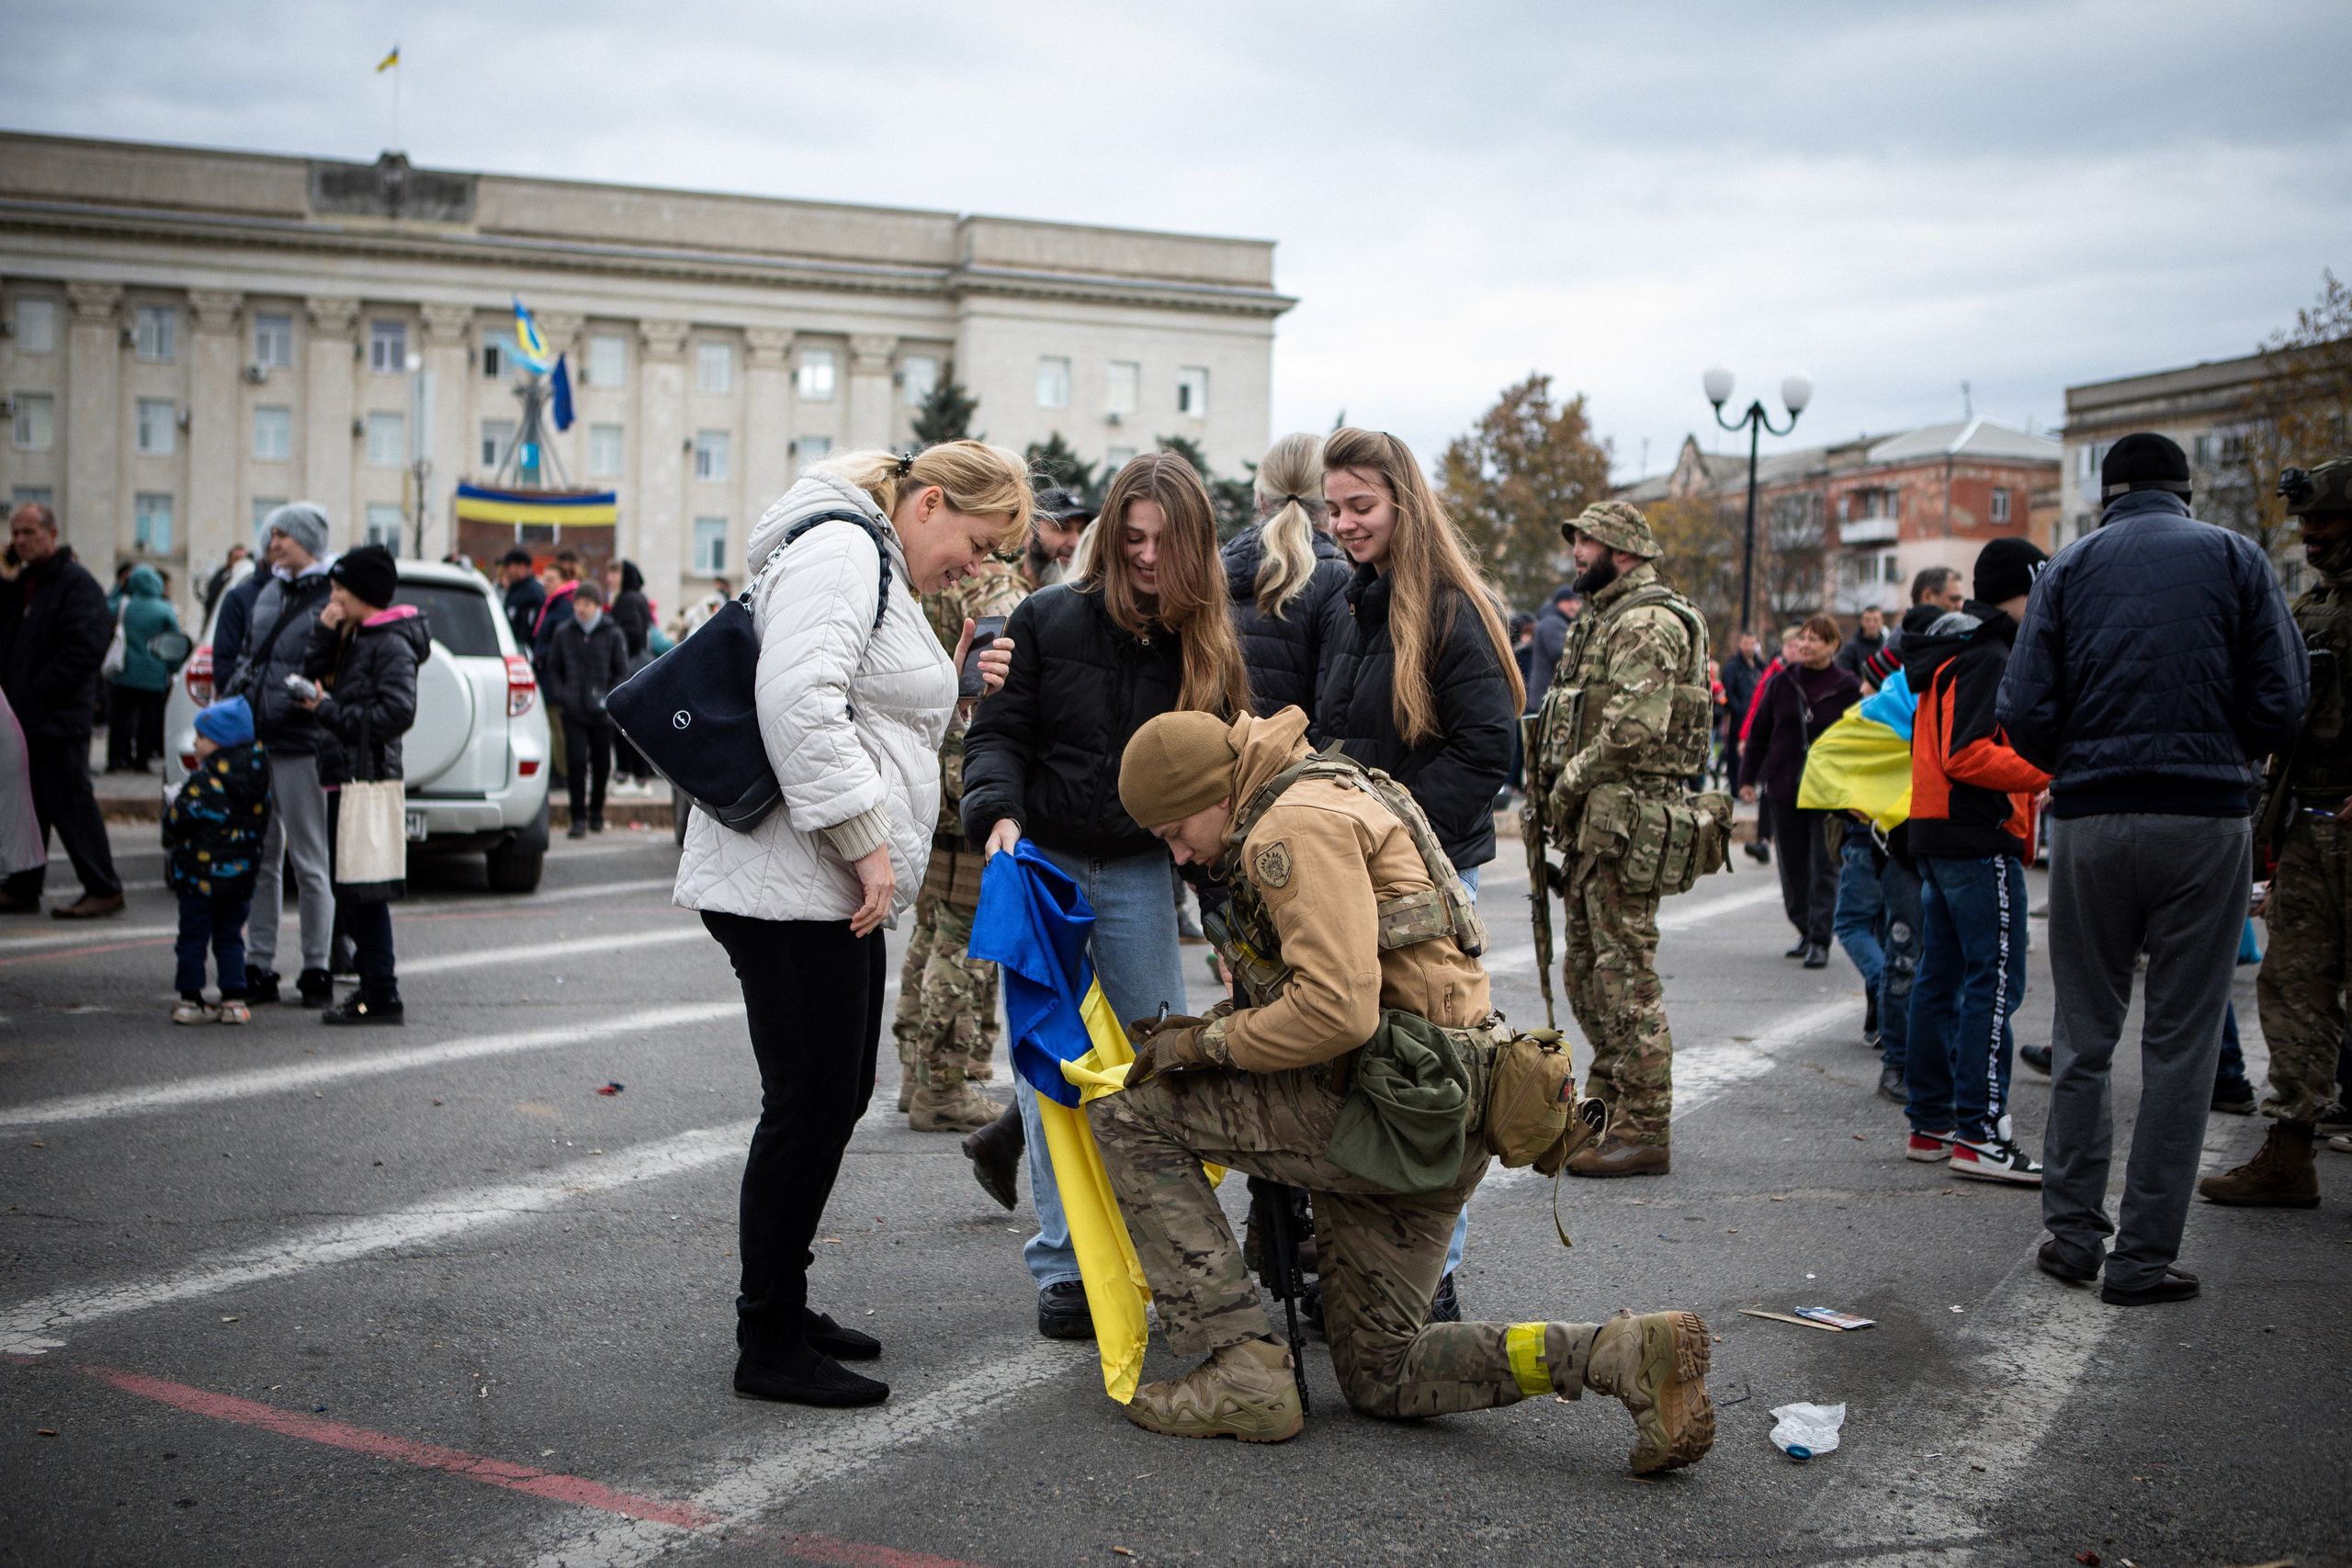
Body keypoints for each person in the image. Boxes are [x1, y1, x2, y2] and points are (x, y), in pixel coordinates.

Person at [1094, 707, 1717, 1472]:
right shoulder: (1335, 785)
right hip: (1438, 1108)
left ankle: (1240, 1369)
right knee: (1382, 1371)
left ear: (1213, 793)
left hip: (1381, 1104)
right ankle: (1615, 1354)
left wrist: (1202, 1043)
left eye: (1174, 831)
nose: (1179, 853)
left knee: (1129, 1115)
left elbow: (1336, 1010)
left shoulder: (1289, 825)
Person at [673, 440, 1031, 1408]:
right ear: (929, 502)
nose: (973, 566)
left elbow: (868, 708)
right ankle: (767, 1338)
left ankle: (783, 1307)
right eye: (974, 543)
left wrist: (950, 680)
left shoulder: (871, 554)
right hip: (794, 876)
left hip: (812, 875)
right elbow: (799, 706)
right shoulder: (842, 547)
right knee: (808, 1101)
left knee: (829, 1098)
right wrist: (868, 844)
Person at [2003, 441, 2301, 1300]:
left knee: (2084, 1035)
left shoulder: (2067, 569)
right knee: (2183, 1044)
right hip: (2206, 820)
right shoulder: (2237, 558)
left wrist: (2083, 759)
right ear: (2185, 489)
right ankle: (2141, 1258)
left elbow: (2022, 710)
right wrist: (2226, 752)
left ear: (2107, 495)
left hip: (2092, 821)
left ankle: (2071, 1235)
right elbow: (2283, 702)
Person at [962, 449, 1249, 1343]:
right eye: (1132, 538)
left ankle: (1161, 1251)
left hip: (1137, 872)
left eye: (1164, 540)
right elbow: (998, 736)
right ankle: (1064, 1266)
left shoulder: (1207, 645)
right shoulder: (1046, 619)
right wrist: (996, 814)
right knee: (1050, 1072)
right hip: (1042, 864)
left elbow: (1225, 787)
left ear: (1195, 543)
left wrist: (1232, 922)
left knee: (1156, 1062)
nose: (1147, 556)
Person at [1315, 426, 1522, 1298]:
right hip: (1356, 877)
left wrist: (1392, 836)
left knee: (1428, 1081)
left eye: (1360, 505)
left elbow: (1488, 749)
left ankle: (1432, 1280)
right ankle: (1367, 1275)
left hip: (1425, 884)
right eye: (1333, 508)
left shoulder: (1451, 610)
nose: (1343, 524)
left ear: (1405, 501)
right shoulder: (1351, 602)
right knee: (1361, 1076)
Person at [1527, 501, 1717, 1179]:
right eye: (1576, 540)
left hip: (1627, 818)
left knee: (1624, 976)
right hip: (1599, 819)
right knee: (1588, 973)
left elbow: (1635, 728)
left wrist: (1566, 784)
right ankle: (1609, 1108)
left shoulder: (1645, 621)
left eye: (1588, 542)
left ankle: (1647, 1125)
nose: (1577, 553)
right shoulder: (1604, 616)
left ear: (1626, 551)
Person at [2200, 457, 2352, 1213]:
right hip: (2308, 825)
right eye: (2305, 522)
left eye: (2324, 520)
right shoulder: (2312, 603)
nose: (2311, 534)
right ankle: (2290, 1152)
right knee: (2294, 987)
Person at [1901, 538, 2052, 1185]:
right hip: (1975, 835)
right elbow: (1968, 753)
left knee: (1941, 979)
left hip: (1939, 831)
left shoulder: (1956, 647)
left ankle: (1931, 1122)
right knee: (1994, 985)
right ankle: (1981, 1133)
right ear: (2022, 592)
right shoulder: (1988, 652)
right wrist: (2045, 769)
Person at [891, 543, 1030, 1132]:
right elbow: (1001, 697)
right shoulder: (1000, 593)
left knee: (933, 927)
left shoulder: (925, 579)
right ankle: (942, 1086)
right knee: (966, 938)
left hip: (935, 774)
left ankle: (917, 1074)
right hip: (971, 778)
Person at [291, 545, 427, 1025]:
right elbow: (312, 675)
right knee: (350, 888)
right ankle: (374, 990)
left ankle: (382, 996)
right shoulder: (354, 634)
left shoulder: (389, 642)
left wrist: (327, 710)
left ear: (363, 593)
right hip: (342, 775)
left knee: (364, 890)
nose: (332, 598)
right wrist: (324, 634)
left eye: (339, 590)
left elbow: (398, 713)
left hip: (366, 778)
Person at [222, 503, 338, 1006]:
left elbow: (335, 666)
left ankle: (317, 967)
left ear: (306, 540)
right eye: (270, 536)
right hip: (257, 737)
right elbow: (250, 655)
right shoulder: (268, 591)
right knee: (262, 859)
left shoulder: (332, 595)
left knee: (309, 861)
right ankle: (259, 965)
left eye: (282, 536)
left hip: (300, 741)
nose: (272, 545)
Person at [0, 502, 124, 919]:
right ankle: (23, 887)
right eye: (15, 534)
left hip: (57, 716)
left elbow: (84, 650)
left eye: (29, 532)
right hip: (23, 717)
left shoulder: (75, 583)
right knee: (28, 803)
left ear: (52, 533)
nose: (20, 541)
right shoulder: (24, 582)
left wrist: (34, 691)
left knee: (70, 802)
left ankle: (103, 887)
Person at [1739, 614, 1860, 966]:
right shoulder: (1782, 682)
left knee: (1824, 866)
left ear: (1833, 645)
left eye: (1814, 639)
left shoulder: (1848, 686)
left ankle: (1821, 938)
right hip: (1784, 787)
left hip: (1827, 792)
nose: (1805, 645)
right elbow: (1760, 732)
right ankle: (1804, 927)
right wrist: (1747, 779)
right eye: (1803, 638)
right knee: (1792, 868)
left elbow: (1859, 742)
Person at [1221, 433, 1352, 721]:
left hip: (1218, 748)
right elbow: (1332, 710)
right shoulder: (1339, 580)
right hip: (1298, 750)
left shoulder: (1216, 572)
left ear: (1261, 500)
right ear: (1329, 503)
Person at [164, 695, 270, 1025]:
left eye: (202, 737)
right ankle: (234, 1001)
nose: (195, 744)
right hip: (240, 879)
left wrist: (172, 805)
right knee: (231, 937)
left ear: (223, 742)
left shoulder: (204, 781)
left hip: (200, 878)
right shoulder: (258, 781)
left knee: (193, 939)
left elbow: (177, 821)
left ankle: (190, 1000)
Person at [543, 578, 629, 838]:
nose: (581, 608)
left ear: (598, 606)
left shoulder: (612, 633)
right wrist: (563, 695)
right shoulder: (564, 632)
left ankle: (597, 813)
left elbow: (622, 671)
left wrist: (609, 697)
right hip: (574, 712)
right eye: (577, 603)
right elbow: (553, 668)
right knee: (576, 764)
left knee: (602, 765)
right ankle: (578, 817)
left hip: (603, 714)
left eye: (587, 604)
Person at [107, 564, 183, 773]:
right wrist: (174, 669)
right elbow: (174, 642)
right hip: (154, 673)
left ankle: (114, 760)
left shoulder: (125, 604)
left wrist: (120, 587)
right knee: (148, 721)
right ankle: (142, 761)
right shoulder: (165, 609)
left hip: (125, 672)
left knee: (119, 718)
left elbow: (107, 605)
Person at [1526, 583, 1580, 699]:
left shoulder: (1558, 621)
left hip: (1547, 694)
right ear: (1559, 602)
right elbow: (1561, 653)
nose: (1574, 607)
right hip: (1546, 694)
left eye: (1576, 602)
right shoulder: (1552, 623)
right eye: (1569, 602)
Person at [497, 549, 545, 652]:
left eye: (508, 567)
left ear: (522, 568)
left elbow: (527, 633)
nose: (506, 571)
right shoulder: (516, 591)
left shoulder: (532, 594)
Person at [1835, 605, 1888, 679]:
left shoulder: (1887, 648)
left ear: (1882, 621)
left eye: (1876, 620)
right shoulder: (1850, 649)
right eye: (1867, 620)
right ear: (1862, 621)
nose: (1871, 624)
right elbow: (1843, 676)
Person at [203, 545, 252, 617]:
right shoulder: (221, 577)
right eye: (236, 558)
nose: (240, 562)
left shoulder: (249, 577)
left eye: (243, 558)